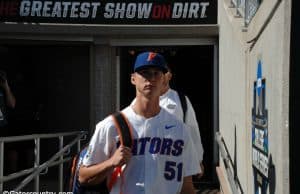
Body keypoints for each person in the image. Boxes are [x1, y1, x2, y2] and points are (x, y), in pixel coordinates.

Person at [79, 51, 200, 194]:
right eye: (145, 73)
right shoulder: (111, 125)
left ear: (164, 80)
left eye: (157, 73)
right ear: (133, 79)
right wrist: (110, 163)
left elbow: (187, 186)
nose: (151, 78)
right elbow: (83, 176)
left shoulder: (179, 129)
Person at [161, 66, 205, 178]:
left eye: (164, 72)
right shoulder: (145, 101)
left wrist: (198, 159)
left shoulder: (181, 99)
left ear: (169, 76)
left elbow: (192, 129)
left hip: (177, 163)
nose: (160, 75)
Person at [0, 70, 17, 174]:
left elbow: (12, 104)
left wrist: (6, 86)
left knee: (9, 152)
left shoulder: (2, 90)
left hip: (2, 126)